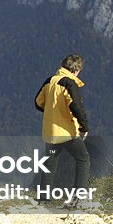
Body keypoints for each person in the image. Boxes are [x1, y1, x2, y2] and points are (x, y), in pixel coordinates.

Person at [34, 54, 90, 200]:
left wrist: (52, 111)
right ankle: (79, 197)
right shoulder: (69, 83)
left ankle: (43, 198)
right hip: (67, 131)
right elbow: (76, 106)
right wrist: (84, 127)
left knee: (50, 164)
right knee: (83, 159)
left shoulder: (50, 81)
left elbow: (38, 102)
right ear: (76, 71)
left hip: (51, 132)